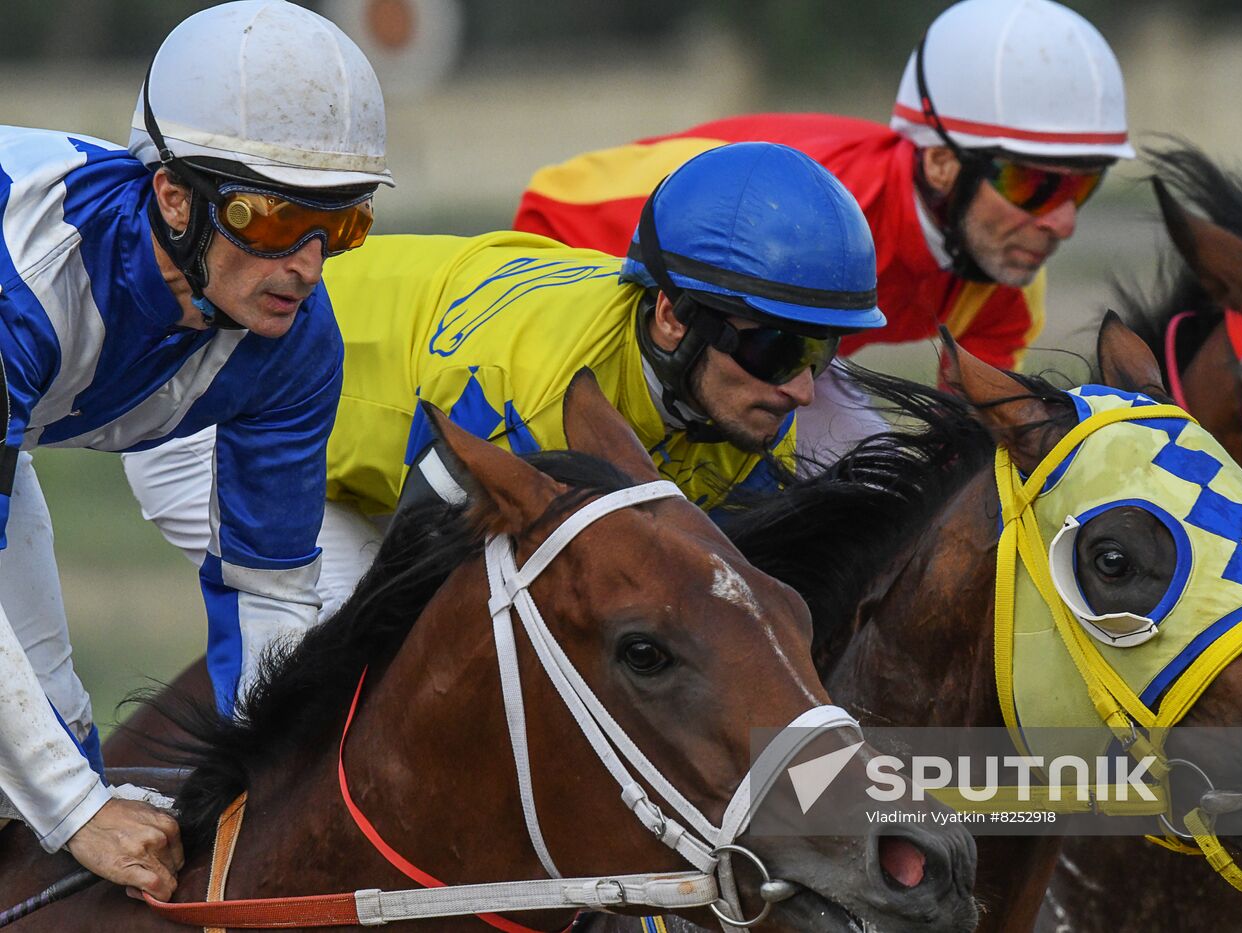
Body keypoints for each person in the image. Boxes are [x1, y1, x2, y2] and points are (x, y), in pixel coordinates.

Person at [124, 141, 884, 621]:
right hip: (220, 406)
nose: (803, 391)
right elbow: (416, 590)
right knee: (355, 653)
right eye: (779, 351)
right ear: (674, 318)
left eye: (820, 354)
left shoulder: (736, 396)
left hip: (386, 450)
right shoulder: (530, 391)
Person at [0, 0, 391, 899]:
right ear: (174, 197)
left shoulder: (295, 344)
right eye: (269, 219)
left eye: (340, 226)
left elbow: (272, 592)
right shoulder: (27, 284)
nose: (305, 265)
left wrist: (287, 799)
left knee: (50, 737)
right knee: (58, 795)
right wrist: (78, 810)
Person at [513, 0, 1133, 459]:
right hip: (574, 256)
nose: (1063, 221)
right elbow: (552, 202)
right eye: (1034, 185)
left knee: (879, 491)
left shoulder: (1009, 283)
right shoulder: (836, 215)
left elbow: (967, 445)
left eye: (1084, 186)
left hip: (759, 339)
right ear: (942, 162)